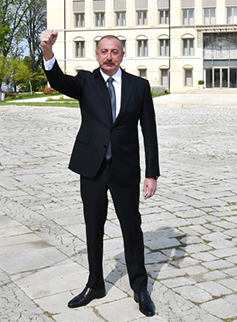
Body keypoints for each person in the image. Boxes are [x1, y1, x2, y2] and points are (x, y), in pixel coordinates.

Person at [40, 29, 159, 317]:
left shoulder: (139, 86)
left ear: (122, 55)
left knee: (131, 227)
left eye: (114, 52)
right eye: (104, 51)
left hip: (125, 169)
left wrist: (151, 173)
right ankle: (95, 284)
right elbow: (57, 80)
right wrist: (47, 50)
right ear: (96, 55)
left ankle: (140, 287)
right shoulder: (85, 82)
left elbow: (149, 131)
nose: (109, 57)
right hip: (92, 167)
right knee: (93, 226)